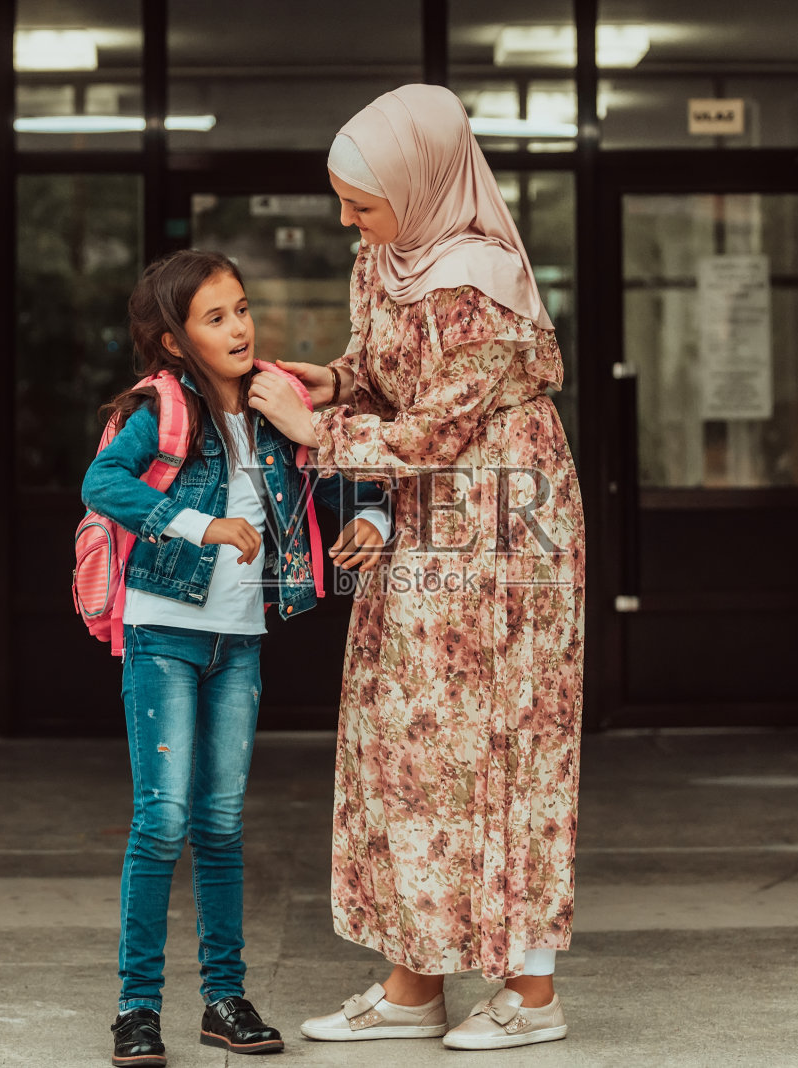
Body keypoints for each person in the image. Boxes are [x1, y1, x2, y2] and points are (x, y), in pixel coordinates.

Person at [246, 84, 586, 1052]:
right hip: (423, 513)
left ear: (423, 181)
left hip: (500, 526)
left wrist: (315, 428)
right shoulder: (389, 259)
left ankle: (529, 994)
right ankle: (412, 984)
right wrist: (336, 379)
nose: (348, 221)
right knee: (407, 740)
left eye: (363, 202)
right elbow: (387, 372)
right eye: (345, 200)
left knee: (504, 740)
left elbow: (438, 423)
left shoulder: (477, 280)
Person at [82, 249, 390, 1067]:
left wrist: (373, 521)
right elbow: (102, 483)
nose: (240, 327)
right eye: (216, 317)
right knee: (162, 825)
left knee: (219, 826)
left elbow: (331, 474)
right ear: (175, 341)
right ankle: (135, 1012)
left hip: (239, 640)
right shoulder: (163, 408)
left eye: (243, 309)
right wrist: (200, 525)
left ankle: (224, 999)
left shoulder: (272, 402)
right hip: (163, 635)